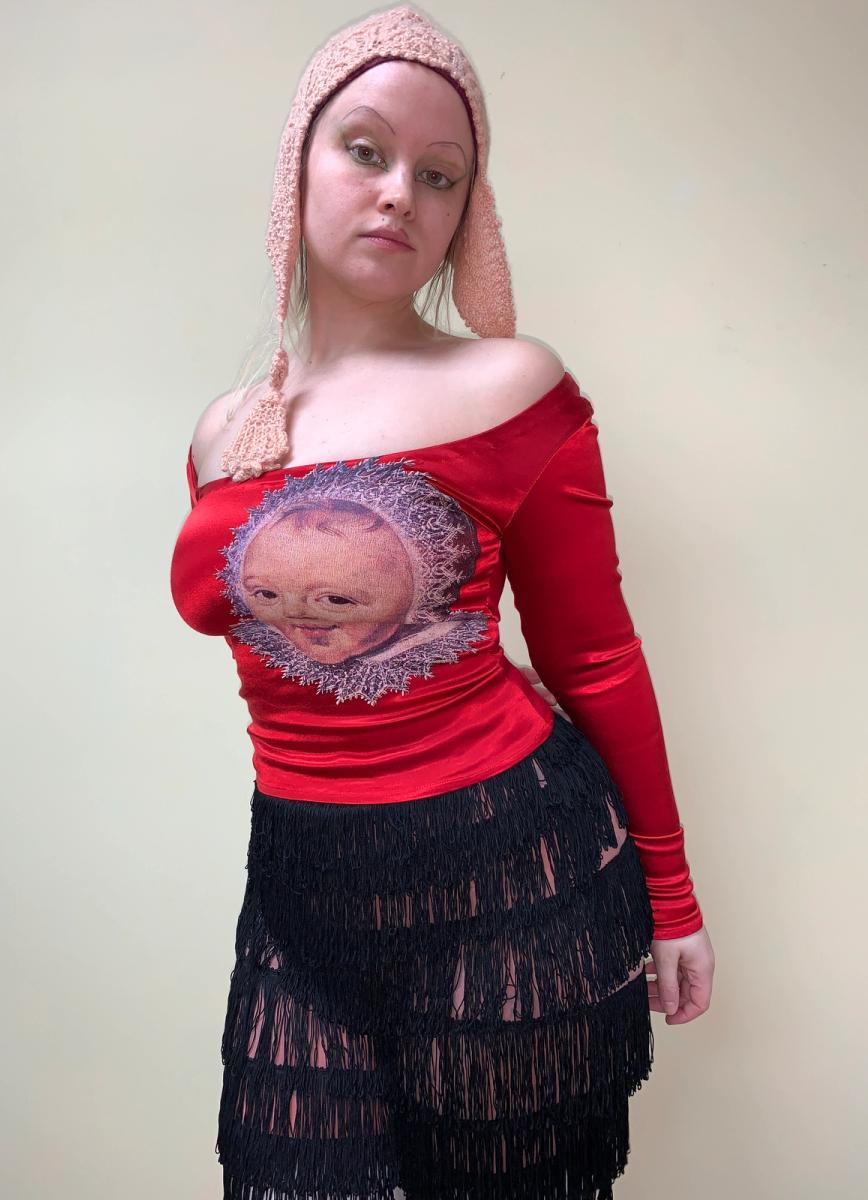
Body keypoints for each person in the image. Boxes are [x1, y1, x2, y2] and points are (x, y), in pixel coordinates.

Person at [170, 6, 716, 1198]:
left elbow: (596, 657)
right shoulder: (224, 433)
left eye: (440, 174)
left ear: (472, 211)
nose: (398, 194)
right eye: (365, 149)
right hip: (300, 890)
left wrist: (673, 898)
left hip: (510, 877)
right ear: (300, 159)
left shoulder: (510, 386)